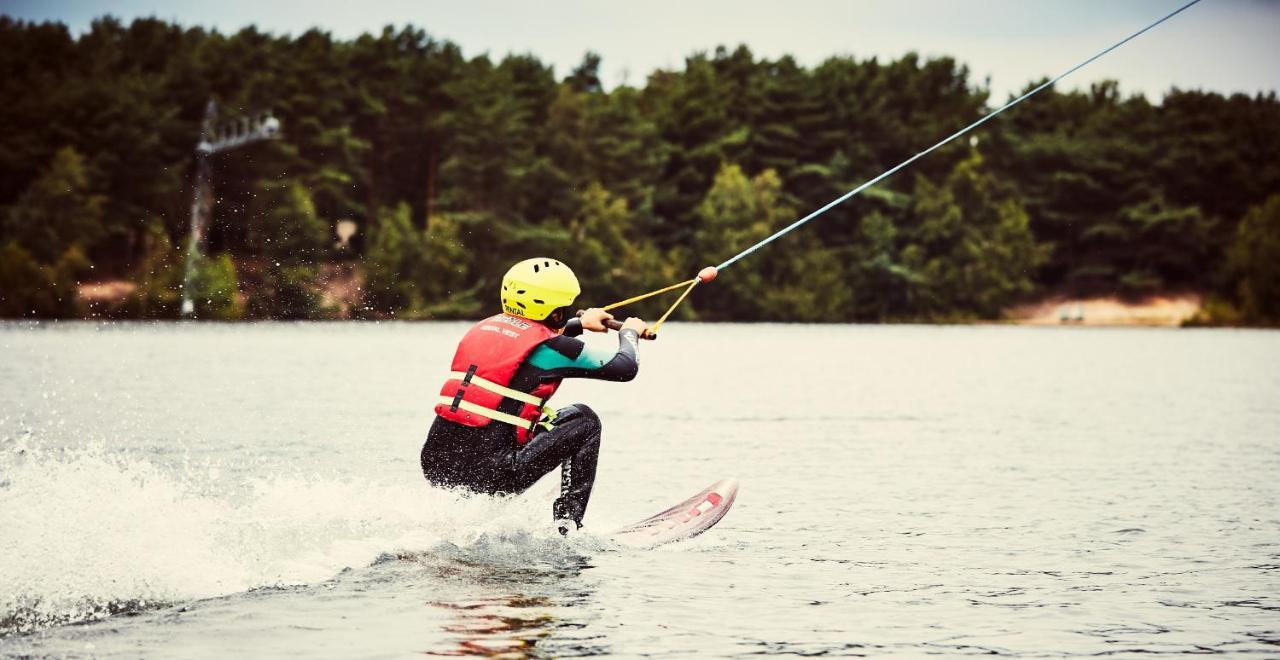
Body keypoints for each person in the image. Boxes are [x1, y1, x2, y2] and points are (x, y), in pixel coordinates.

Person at [420, 257, 648, 534]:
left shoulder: (484, 328)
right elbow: (625, 367)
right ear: (555, 313)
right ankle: (567, 526)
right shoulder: (555, 349)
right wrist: (629, 333)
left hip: (436, 465)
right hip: (493, 474)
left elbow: (532, 335)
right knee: (585, 420)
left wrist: (580, 323)